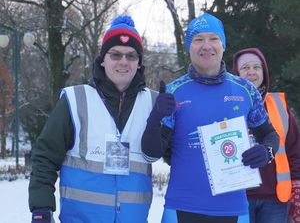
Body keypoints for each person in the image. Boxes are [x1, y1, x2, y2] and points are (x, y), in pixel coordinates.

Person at [28, 15, 175, 223]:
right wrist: (41, 207)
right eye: (115, 54)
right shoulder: (75, 99)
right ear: (103, 60)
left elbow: (176, 155)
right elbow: (45, 156)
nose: (123, 61)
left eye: (131, 56)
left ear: (139, 63)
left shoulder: (154, 103)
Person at [141, 13, 280, 223]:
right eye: (198, 40)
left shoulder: (246, 91)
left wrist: (266, 151)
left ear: (223, 44)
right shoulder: (173, 92)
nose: (206, 45)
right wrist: (154, 119)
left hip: (234, 209)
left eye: (213, 38)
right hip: (181, 208)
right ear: (189, 47)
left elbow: (270, 135)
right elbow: (152, 152)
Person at [232, 47, 300, 223]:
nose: (252, 72)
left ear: (264, 72)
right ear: (236, 73)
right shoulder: (226, 104)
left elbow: (294, 149)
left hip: (275, 198)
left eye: (257, 67)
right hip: (237, 197)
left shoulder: (279, 105)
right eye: (246, 67)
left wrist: (297, 186)